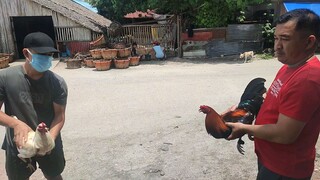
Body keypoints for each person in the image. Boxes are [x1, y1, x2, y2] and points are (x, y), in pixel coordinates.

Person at [226, 9, 320, 179]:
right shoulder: (290, 66)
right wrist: (242, 111)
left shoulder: (307, 79)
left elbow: (285, 135)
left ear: (309, 42)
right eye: (276, 38)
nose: (277, 46)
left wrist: (244, 128)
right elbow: (275, 102)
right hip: (271, 159)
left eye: (285, 39)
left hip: (284, 169)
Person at [0, 32, 68, 180]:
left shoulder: (57, 83)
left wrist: (48, 141)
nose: (47, 58)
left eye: (49, 54)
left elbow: (59, 116)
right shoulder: (5, 78)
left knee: (54, 175)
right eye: (42, 54)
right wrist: (16, 124)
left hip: (48, 139)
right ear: (26, 53)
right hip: (19, 144)